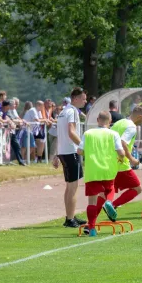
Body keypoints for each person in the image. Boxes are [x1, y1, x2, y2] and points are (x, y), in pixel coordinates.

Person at [77, 111, 125, 237]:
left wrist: (90, 153)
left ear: (98, 120)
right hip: (108, 168)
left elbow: (79, 151)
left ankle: (92, 228)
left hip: (92, 170)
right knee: (110, 190)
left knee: (92, 200)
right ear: (110, 122)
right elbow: (121, 151)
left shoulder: (88, 133)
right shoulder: (113, 133)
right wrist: (121, 158)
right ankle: (109, 202)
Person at [53, 87, 88, 228]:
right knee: (73, 187)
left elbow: (60, 134)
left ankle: (70, 216)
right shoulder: (72, 111)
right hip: (71, 151)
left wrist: (56, 154)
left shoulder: (63, 111)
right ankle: (69, 219)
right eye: (83, 99)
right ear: (75, 98)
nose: (85, 101)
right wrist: (83, 145)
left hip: (64, 151)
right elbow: (71, 132)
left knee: (69, 186)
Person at [109, 105, 142, 212]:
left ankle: (95, 218)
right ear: (140, 116)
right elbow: (123, 143)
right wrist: (132, 159)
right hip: (121, 163)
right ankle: (112, 205)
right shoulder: (131, 126)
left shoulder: (119, 122)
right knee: (137, 188)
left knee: (110, 188)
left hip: (109, 160)